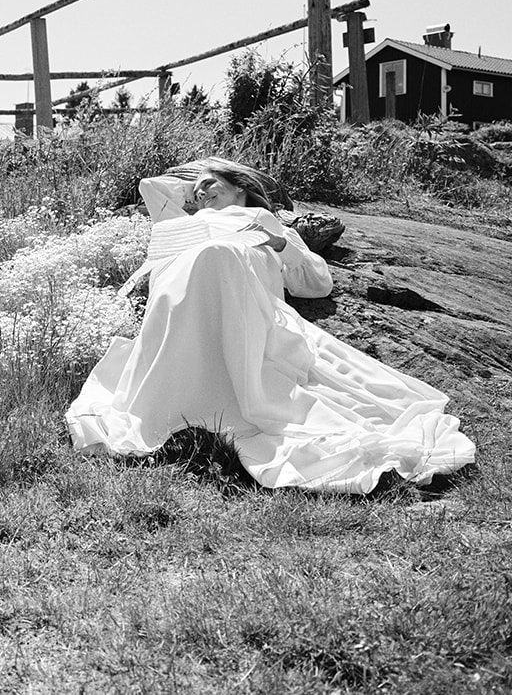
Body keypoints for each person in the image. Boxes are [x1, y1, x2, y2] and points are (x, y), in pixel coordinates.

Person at [66, 158, 476, 494]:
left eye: (210, 184)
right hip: (189, 302)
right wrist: (194, 193)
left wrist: (278, 242)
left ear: (240, 185)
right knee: (206, 256)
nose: (201, 193)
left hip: (249, 304)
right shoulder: (181, 227)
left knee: (218, 256)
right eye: (195, 192)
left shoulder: (262, 219)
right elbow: (151, 186)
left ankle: (233, 393)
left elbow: (317, 282)